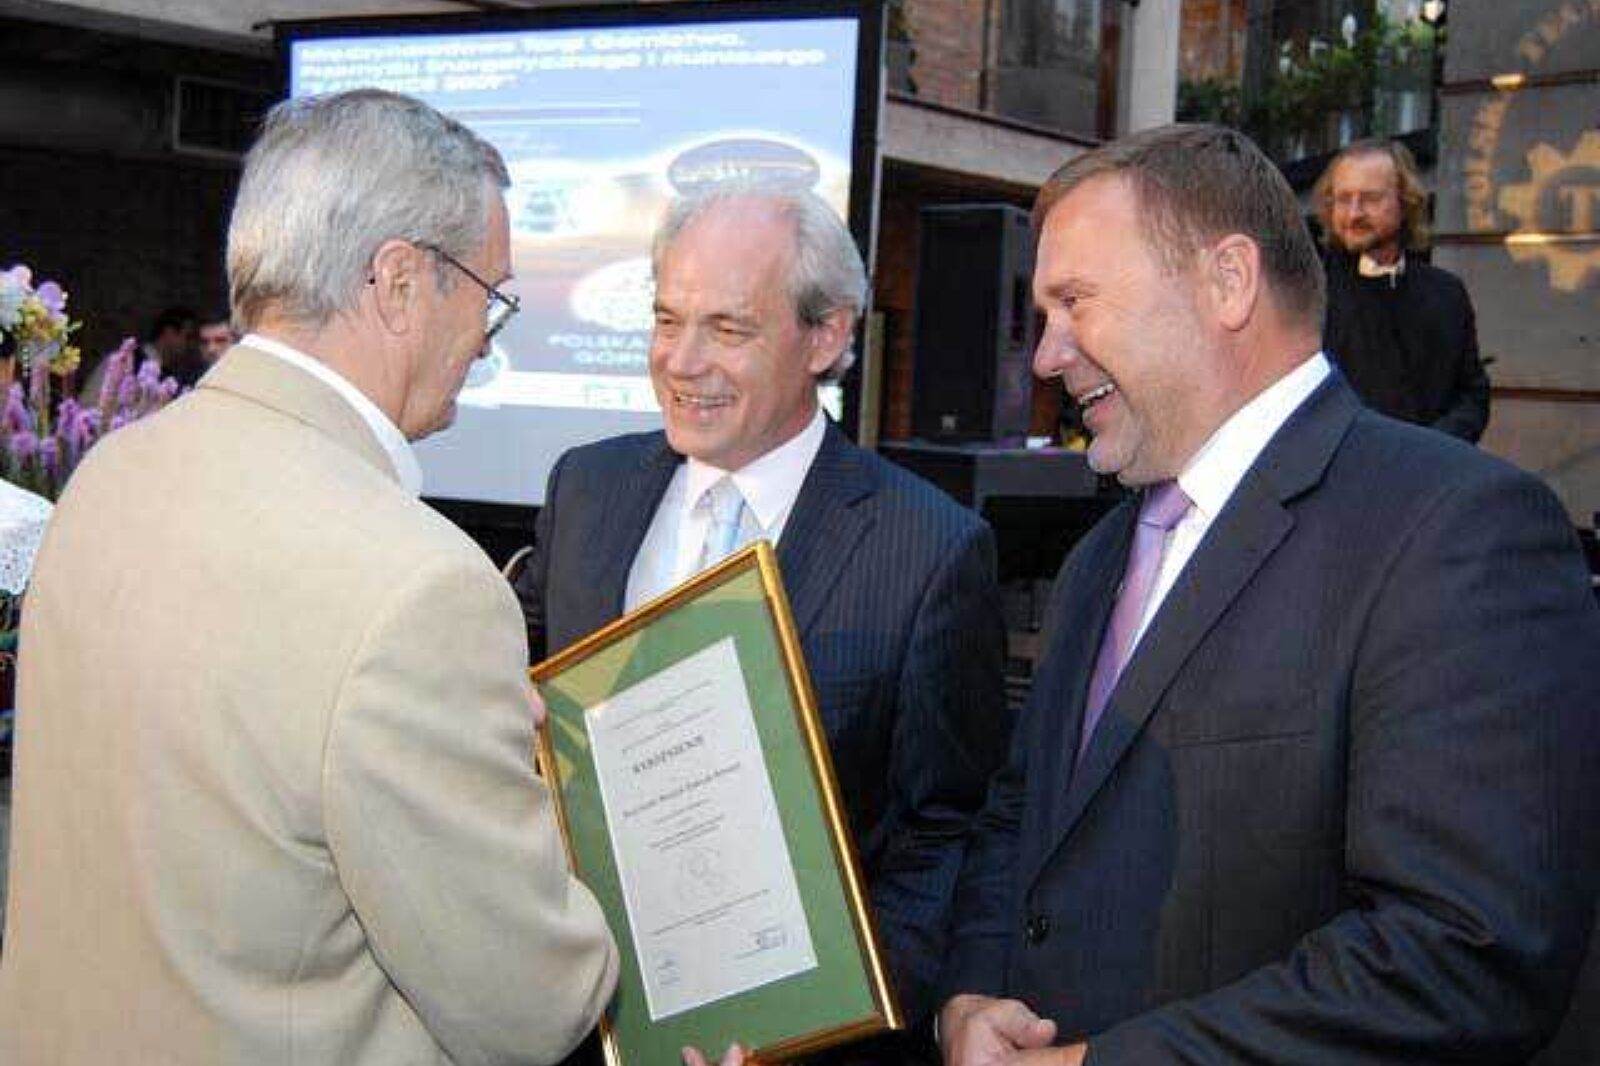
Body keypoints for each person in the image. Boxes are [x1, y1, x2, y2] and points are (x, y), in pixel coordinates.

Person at [938, 124, 1600, 1065]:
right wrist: (967, 998)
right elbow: (1019, 817)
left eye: (1075, 302)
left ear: (1228, 281)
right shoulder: (1095, 561)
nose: (1047, 357)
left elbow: (1461, 955)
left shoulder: (1459, 532)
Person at [0, 89, 617, 1064]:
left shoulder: (111, 471)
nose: (485, 340)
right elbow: (533, 1008)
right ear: (400, 282)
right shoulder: (420, 588)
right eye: (490, 299)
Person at [514, 183, 1010, 1038]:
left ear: (827, 336)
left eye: (728, 329)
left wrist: (820, 1029)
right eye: (667, 320)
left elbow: (942, 835)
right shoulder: (586, 489)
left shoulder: (931, 549)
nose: (681, 361)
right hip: (571, 1014)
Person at [1315, 139, 1490, 442]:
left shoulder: (1446, 293)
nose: (1354, 213)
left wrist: (1431, 450)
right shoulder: (1308, 293)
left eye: (1370, 199)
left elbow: (1472, 395)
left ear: (1406, 202)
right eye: (1343, 199)